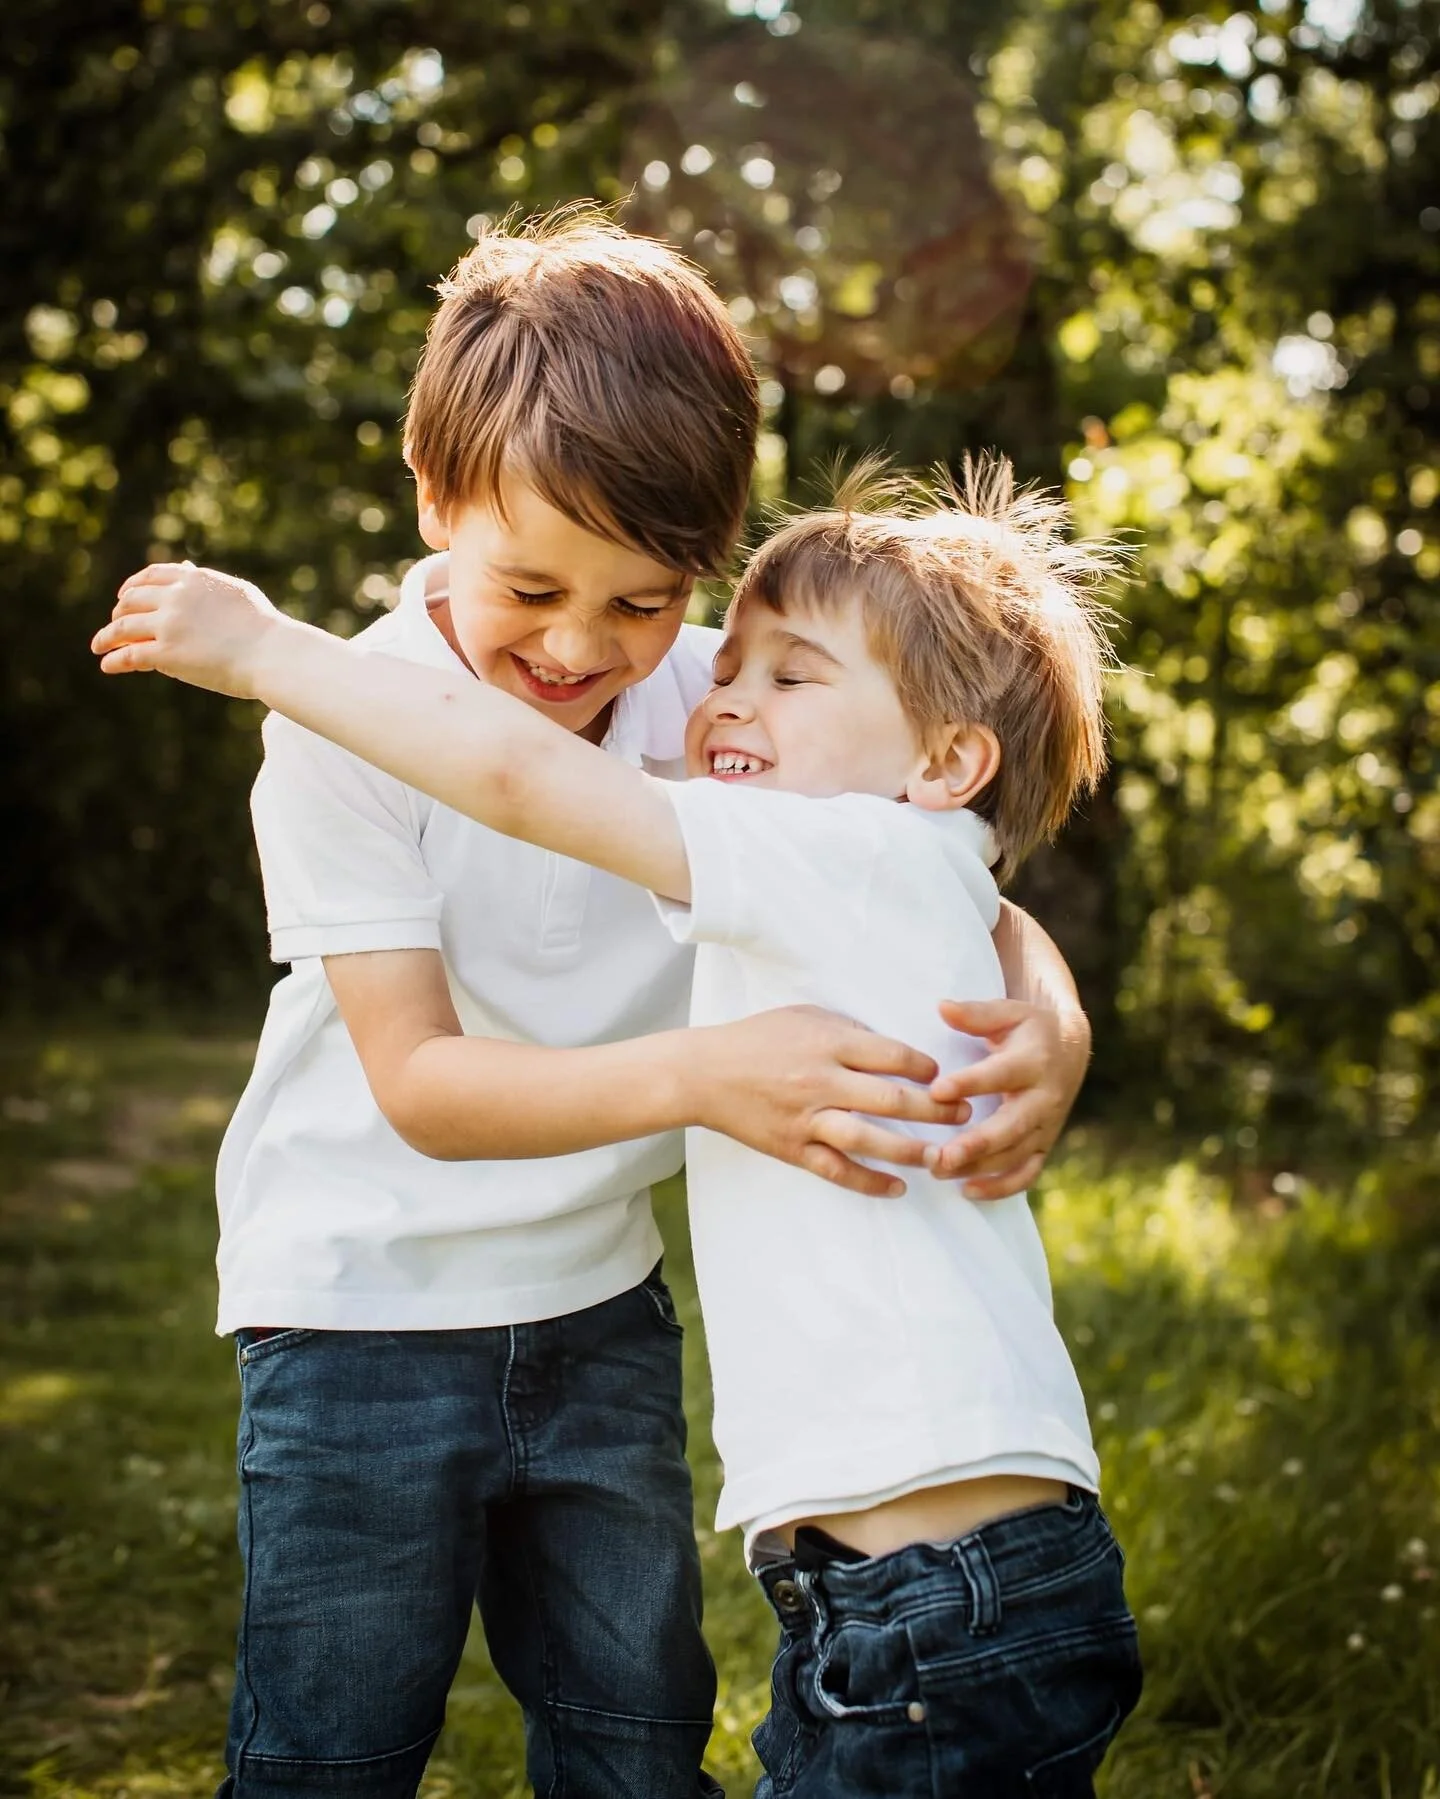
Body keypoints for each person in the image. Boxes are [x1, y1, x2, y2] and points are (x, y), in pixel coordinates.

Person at [94, 208, 1096, 1799]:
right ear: (436, 500)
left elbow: (931, 868)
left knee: (635, 1732)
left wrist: (1054, 1014)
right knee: (337, 1738)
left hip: (595, 1310)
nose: (581, 647)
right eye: (533, 587)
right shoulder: (341, 720)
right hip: (356, 1307)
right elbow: (422, 1080)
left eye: (641, 600)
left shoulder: (729, 693)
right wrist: (707, 1073)